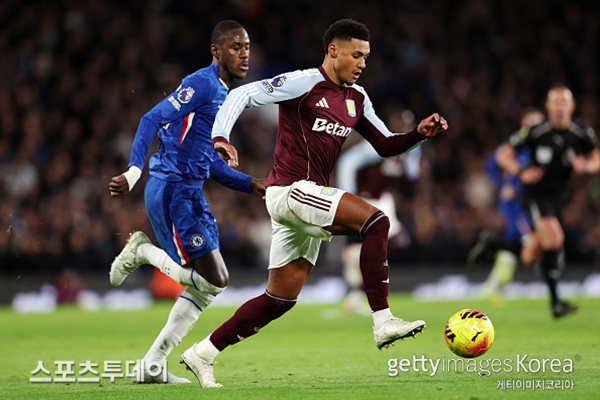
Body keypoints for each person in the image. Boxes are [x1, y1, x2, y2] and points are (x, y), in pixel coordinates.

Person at [179, 19, 448, 388]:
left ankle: (202, 353)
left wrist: (418, 134)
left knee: (279, 299)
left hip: (306, 199)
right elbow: (243, 95)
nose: (362, 63)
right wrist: (221, 136)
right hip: (290, 191)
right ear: (333, 50)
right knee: (377, 221)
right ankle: (383, 320)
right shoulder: (303, 83)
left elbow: (386, 145)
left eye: (366, 57)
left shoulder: (357, 99)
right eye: (356, 55)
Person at [108, 20, 265, 384]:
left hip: (191, 192)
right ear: (216, 51)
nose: (244, 55)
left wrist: (250, 183)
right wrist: (133, 171)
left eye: (247, 47)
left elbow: (207, 161)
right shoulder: (203, 84)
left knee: (208, 287)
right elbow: (151, 118)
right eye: (235, 47)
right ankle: (142, 251)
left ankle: (151, 365)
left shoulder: (224, 94)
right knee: (215, 279)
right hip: (172, 190)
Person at [496, 84, 600, 318]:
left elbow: (596, 157)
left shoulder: (581, 133)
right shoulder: (536, 132)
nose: (560, 107)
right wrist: (521, 172)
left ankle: (494, 246)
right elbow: (503, 155)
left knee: (531, 253)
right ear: (548, 106)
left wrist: (586, 166)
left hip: (559, 198)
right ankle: (556, 303)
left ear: (572, 106)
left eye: (564, 102)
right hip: (535, 194)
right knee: (554, 239)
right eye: (555, 102)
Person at [336, 108, 422, 314]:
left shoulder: (413, 148)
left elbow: (412, 175)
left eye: (408, 126)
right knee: (361, 249)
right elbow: (347, 163)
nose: (405, 129)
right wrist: (348, 194)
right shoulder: (379, 144)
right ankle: (358, 290)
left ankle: (361, 290)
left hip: (383, 200)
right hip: (365, 199)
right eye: (402, 125)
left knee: (382, 245)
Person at [475, 108, 544, 300]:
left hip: (534, 201)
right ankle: (543, 280)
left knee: (518, 243)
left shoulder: (542, 148)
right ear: (523, 126)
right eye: (531, 123)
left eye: (538, 124)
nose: (534, 127)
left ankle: (494, 282)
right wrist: (502, 186)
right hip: (516, 204)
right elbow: (490, 165)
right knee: (528, 239)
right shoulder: (514, 146)